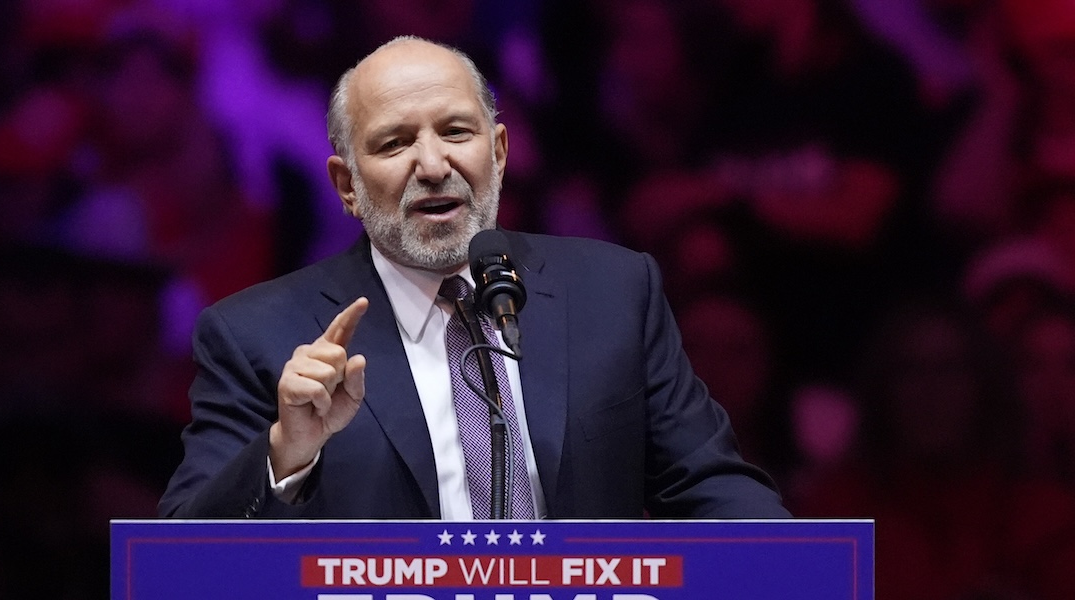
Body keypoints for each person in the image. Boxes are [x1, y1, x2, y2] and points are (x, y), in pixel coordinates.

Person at [158, 36, 789, 520]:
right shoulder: (256, 334)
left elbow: (709, 485)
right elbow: (183, 559)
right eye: (394, 143)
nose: (433, 165)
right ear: (346, 186)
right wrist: (284, 453)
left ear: (501, 152)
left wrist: (803, 567)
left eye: (456, 132)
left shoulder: (614, 292)